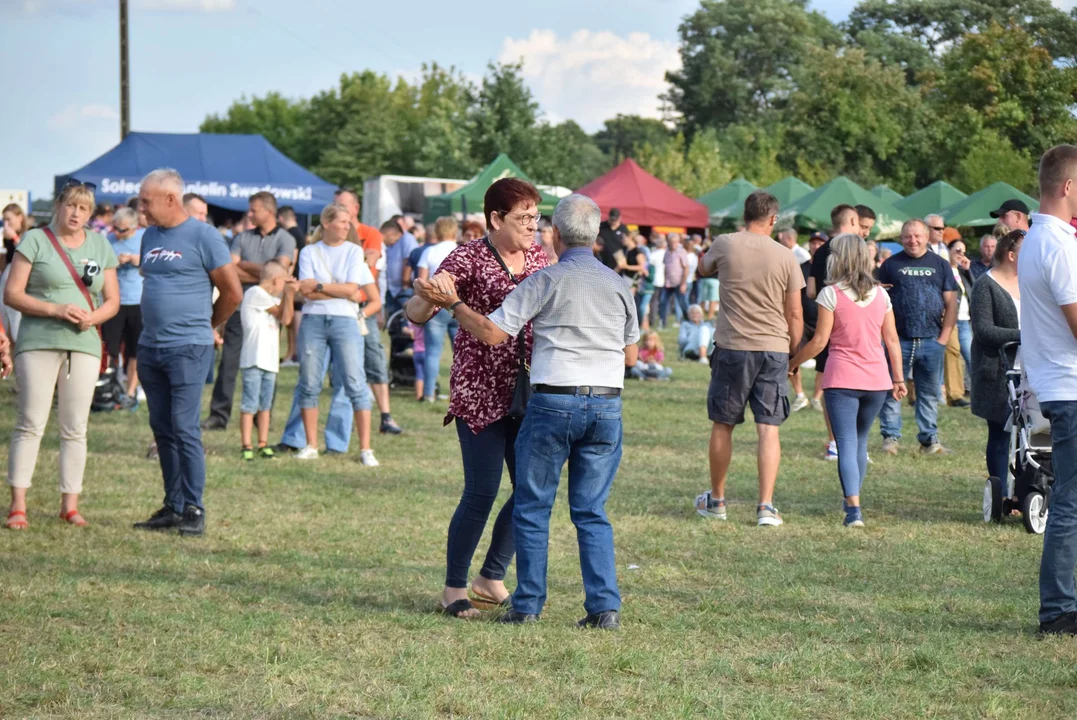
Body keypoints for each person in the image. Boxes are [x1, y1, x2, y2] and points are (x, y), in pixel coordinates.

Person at [420, 192, 638, 629]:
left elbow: (494, 333)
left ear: (555, 234)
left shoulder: (545, 278)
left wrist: (455, 306)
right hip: (606, 406)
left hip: (553, 401)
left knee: (533, 505)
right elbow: (632, 357)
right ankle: (603, 608)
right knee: (592, 512)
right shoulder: (620, 285)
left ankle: (528, 606)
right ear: (597, 235)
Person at [405, 177, 549, 619]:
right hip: (479, 389)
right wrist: (426, 296)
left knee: (530, 490)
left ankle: (491, 575)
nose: (532, 225)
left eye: (535, 217)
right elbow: (418, 312)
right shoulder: (467, 256)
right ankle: (453, 588)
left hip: (529, 387)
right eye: (523, 218)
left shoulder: (541, 257)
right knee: (482, 490)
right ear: (495, 218)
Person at [3, 179, 119, 530]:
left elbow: (111, 299)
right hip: (38, 340)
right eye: (71, 205)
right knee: (30, 423)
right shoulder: (35, 239)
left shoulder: (100, 244)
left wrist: (92, 317)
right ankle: (17, 505)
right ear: (58, 205)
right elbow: (12, 294)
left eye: (84, 208)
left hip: (83, 343)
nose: (76, 213)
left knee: (75, 427)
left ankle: (70, 504)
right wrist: (55, 309)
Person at [132, 169, 241, 536]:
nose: (140, 207)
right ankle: (173, 504)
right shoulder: (149, 236)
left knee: (184, 427)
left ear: (170, 199)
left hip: (188, 347)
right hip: (150, 346)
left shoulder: (204, 235)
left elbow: (232, 291)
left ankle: (194, 507)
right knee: (162, 428)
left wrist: (207, 325)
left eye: (146, 200)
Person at [694, 191, 804, 527]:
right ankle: (765, 507)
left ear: (745, 215)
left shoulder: (726, 243)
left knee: (723, 423)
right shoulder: (787, 256)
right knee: (768, 429)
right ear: (773, 219)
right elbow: (796, 313)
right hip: (773, 348)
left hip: (733, 346)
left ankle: (718, 500)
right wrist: (794, 356)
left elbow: (701, 269)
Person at [788, 234, 906, 528]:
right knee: (860, 441)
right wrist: (899, 378)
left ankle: (853, 509)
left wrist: (791, 363)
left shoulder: (831, 294)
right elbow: (891, 340)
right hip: (877, 380)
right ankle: (852, 499)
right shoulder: (882, 295)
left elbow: (819, 342)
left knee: (845, 442)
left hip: (841, 378)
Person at [1014, 145, 1077, 635]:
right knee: (1069, 503)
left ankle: (1059, 606)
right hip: (1071, 386)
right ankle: (1057, 611)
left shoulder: (1037, 239)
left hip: (1058, 382)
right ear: (1068, 186)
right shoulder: (1058, 244)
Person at [293, 203, 381, 466]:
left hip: (344, 320)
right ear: (327, 223)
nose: (347, 226)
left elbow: (352, 289)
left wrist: (320, 286)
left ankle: (366, 448)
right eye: (342, 222)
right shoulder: (309, 251)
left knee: (355, 381)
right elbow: (305, 292)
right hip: (314, 319)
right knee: (308, 382)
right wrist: (339, 290)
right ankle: (311, 444)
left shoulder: (354, 251)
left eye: (348, 222)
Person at [203, 192, 295, 431]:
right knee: (229, 361)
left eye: (254, 210)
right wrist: (266, 271)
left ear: (269, 211)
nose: (249, 214)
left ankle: (261, 417)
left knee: (266, 362)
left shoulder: (286, 239)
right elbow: (231, 270)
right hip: (240, 305)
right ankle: (219, 415)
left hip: (269, 309)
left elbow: (280, 271)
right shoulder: (242, 236)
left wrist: (244, 266)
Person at [876, 219, 958, 456]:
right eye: (908, 236)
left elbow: (951, 303)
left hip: (932, 340)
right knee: (892, 390)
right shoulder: (890, 265)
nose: (913, 240)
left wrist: (944, 337)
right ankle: (890, 438)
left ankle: (929, 440)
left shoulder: (941, 265)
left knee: (929, 393)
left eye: (917, 236)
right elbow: (880, 302)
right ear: (901, 238)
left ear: (926, 237)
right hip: (897, 340)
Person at [333, 188, 402, 435]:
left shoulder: (369, 233)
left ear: (355, 208)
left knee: (374, 357)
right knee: (341, 367)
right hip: (339, 306)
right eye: (335, 205)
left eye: (343, 204)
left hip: (364, 306)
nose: (338, 209)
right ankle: (342, 425)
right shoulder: (330, 235)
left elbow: (371, 259)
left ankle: (385, 416)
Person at [970, 229, 1022, 503]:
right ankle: (1001, 495)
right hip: (997, 370)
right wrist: (1023, 335)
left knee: (1031, 438)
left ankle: (1025, 492)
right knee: (1001, 434)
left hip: (1032, 369)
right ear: (1012, 255)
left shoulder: (1033, 283)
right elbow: (983, 330)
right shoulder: (984, 285)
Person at [809, 206, 861, 459]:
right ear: (851, 221)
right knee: (860, 387)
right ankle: (856, 444)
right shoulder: (856, 249)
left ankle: (834, 443)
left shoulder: (819, 252)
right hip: (855, 328)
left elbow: (809, 291)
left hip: (828, 325)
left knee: (831, 388)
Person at [239, 261, 296, 461]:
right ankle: (246, 444)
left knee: (265, 405)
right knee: (249, 404)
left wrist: (289, 294)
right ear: (275, 280)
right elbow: (283, 315)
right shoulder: (255, 293)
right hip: (254, 358)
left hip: (269, 361)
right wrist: (289, 293)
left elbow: (287, 319)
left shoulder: (271, 299)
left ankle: (262, 443)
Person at [416, 217, 463, 403]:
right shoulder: (462, 251)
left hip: (435, 305)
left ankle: (428, 393)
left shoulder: (429, 252)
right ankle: (458, 394)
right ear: (455, 231)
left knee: (433, 352)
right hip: (459, 304)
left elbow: (421, 283)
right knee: (461, 352)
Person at [102, 206, 145, 405]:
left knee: (135, 350)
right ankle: (109, 388)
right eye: (116, 229)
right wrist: (114, 262)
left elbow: (153, 263)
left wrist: (137, 259)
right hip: (113, 301)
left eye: (123, 230)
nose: (118, 234)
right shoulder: (108, 241)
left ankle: (129, 392)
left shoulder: (145, 238)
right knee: (110, 348)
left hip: (137, 301)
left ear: (134, 227)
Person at [792, 232, 827, 413]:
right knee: (793, 356)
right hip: (803, 321)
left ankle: (816, 398)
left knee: (825, 363)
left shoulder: (830, 267)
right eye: (813, 243)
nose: (816, 246)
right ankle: (800, 395)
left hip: (824, 321)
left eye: (820, 242)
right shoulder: (800, 268)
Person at [944, 238, 976, 408]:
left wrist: (968, 271)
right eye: (957, 250)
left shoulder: (963, 272)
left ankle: (977, 393)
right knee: (954, 354)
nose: (960, 254)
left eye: (963, 252)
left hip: (965, 320)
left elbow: (975, 289)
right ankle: (955, 395)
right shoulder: (944, 270)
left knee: (972, 357)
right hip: (952, 320)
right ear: (948, 250)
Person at [277, 205, 305, 367]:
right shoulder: (299, 233)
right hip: (298, 280)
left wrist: (285, 277)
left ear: (281, 218)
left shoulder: (290, 235)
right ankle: (291, 354)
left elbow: (291, 261)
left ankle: (293, 354)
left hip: (293, 282)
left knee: (292, 321)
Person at [381, 218, 419, 319]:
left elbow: (409, 260)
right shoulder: (388, 242)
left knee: (406, 320)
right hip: (391, 288)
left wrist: (405, 282)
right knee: (395, 322)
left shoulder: (407, 238)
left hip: (403, 288)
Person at [1, 203, 28, 338]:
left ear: (20, 218)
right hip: (6, 278)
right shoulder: (6, 238)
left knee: (17, 324)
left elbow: (27, 254)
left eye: (8, 219)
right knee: (6, 321)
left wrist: (14, 238)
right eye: (4, 220)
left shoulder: (29, 235)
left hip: (20, 282)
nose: (6, 223)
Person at [660, 232, 689, 328]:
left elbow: (686, 268)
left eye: (675, 242)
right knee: (663, 302)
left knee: (682, 303)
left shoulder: (681, 252)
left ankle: (688, 321)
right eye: (671, 242)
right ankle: (663, 323)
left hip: (679, 282)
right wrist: (664, 280)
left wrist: (683, 283)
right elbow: (665, 267)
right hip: (668, 282)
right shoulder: (667, 252)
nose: (673, 244)